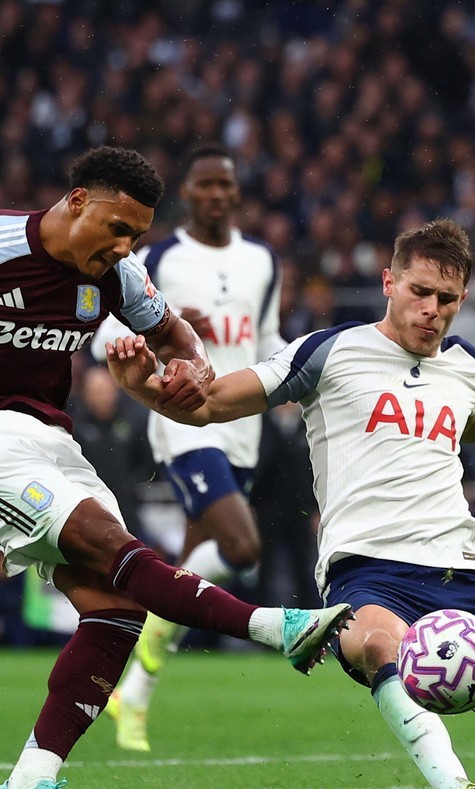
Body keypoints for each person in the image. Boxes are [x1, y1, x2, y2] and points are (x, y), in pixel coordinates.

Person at [0, 146, 351, 789]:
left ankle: (29, 785)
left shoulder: (118, 276)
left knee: (117, 606)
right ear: (77, 200)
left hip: (53, 444)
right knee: (114, 545)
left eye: (136, 235)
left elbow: (176, 335)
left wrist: (191, 366)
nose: (124, 246)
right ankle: (271, 626)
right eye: (115, 227)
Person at [108, 219, 475, 789]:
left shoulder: (466, 365)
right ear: (388, 283)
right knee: (380, 644)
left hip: (469, 578)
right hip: (369, 572)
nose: (432, 311)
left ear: (464, 301)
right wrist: (143, 390)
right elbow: (213, 402)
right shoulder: (326, 353)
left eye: (447, 300)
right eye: (419, 292)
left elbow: (461, 414)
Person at [101, 145, 286, 752]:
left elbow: (268, 337)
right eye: (203, 184)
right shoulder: (160, 257)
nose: (214, 194)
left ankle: (133, 694)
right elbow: (108, 326)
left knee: (183, 582)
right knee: (241, 547)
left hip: (242, 424)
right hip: (182, 421)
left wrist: (300, 382)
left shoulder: (262, 261)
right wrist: (169, 329)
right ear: (189, 190)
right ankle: (139, 662)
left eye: (223, 185)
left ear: (235, 193)